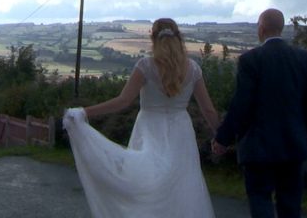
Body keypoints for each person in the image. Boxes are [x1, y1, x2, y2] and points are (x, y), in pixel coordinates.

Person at [63, 18, 219, 218]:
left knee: (146, 182)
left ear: (152, 37)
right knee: (183, 184)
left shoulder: (145, 66)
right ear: (179, 37)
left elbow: (123, 101)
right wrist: (221, 137)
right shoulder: (194, 68)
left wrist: (85, 112)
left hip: (149, 128)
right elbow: (209, 110)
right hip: (181, 131)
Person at [212, 8, 307, 218]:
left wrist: (222, 138)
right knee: (290, 204)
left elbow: (241, 104)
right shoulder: (303, 59)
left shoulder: (250, 60)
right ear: (281, 28)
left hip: (258, 147)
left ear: (261, 28)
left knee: (260, 200)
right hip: (293, 145)